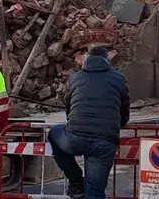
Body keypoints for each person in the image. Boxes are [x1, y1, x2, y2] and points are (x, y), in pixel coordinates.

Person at [49, 46, 130, 199]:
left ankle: (75, 181)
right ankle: (80, 186)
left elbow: (69, 107)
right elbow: (124, 110)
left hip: (75, 138)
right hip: (104, 142)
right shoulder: (118, 78)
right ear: (107, 60)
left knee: (54, 133)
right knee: (95, 193)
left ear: (87, 59)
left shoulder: (76, 78)